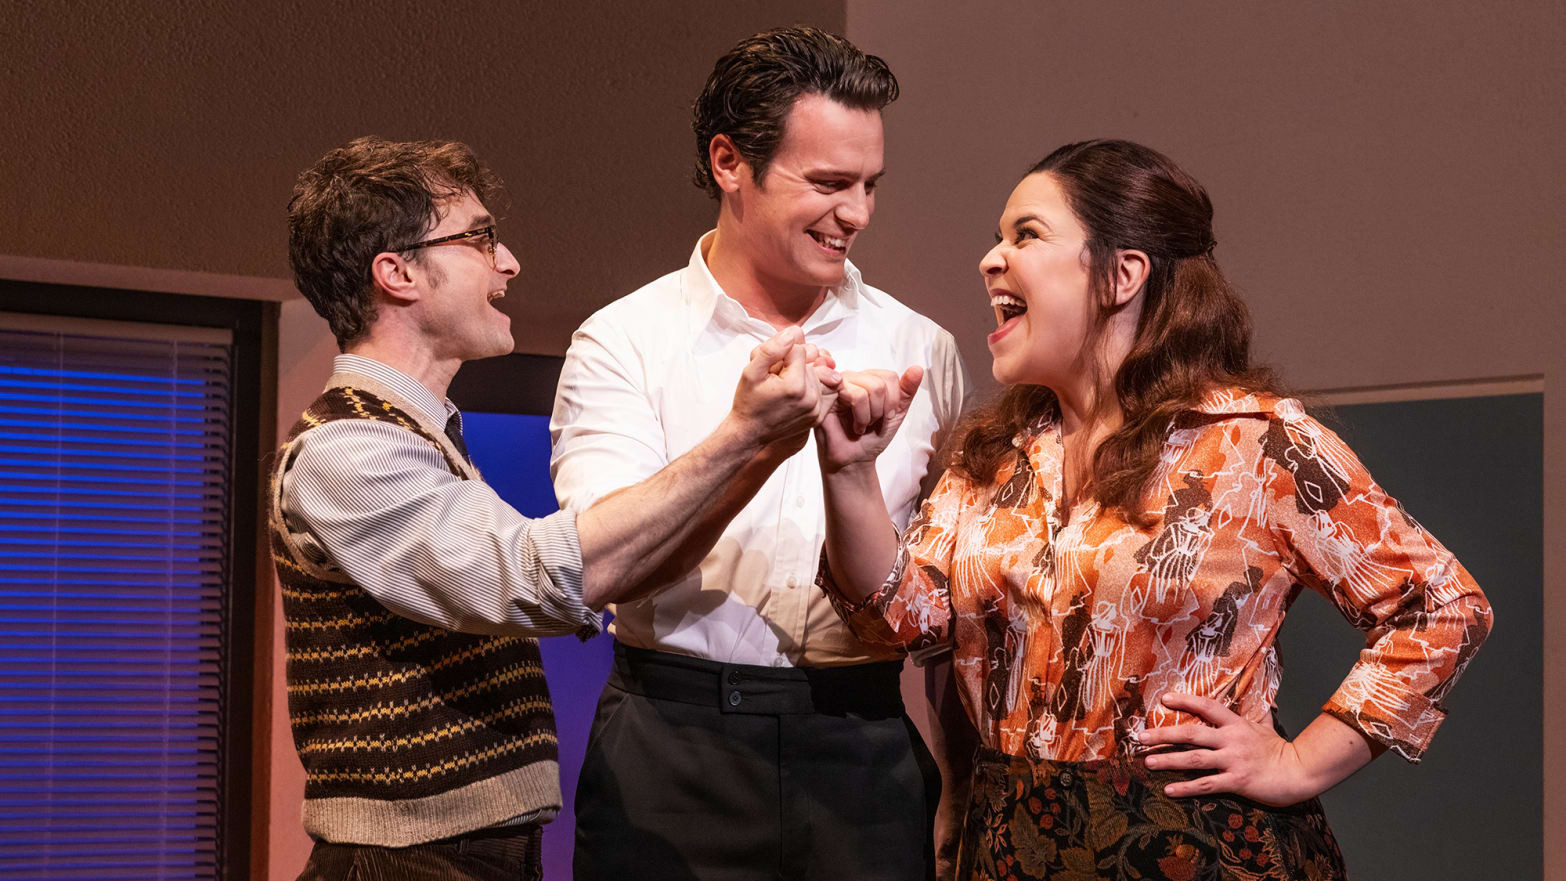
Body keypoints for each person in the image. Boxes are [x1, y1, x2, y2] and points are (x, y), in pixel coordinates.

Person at [813, 139, 1493, 880]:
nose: (990, 259)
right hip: (1015, 846)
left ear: (1123, 274)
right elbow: (897, 622)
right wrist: (849, 471)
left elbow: (1443, 606)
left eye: (1027, 234)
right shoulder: (995, 456)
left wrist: (1300, 763)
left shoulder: (1253, 443)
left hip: (1193, 846)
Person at [275, 136, 842, 881]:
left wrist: (762, 444)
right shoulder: (347, 449)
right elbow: (530, 577)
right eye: (479, 239)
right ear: (397, 272)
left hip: (461, 849)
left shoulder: (413, 435)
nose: (508, 263)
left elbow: (588, 571)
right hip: (405, 859)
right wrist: (743, 434)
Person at [551, 26, 969, 881]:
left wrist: (964, 786)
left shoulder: (919, 347)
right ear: (729, 163)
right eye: (828, 183)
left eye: (869, 185)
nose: (857, 213)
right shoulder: (625, 340)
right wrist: (747, 438)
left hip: (864, 746)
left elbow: (948, 607)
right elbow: (596, 565)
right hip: (672, 743)